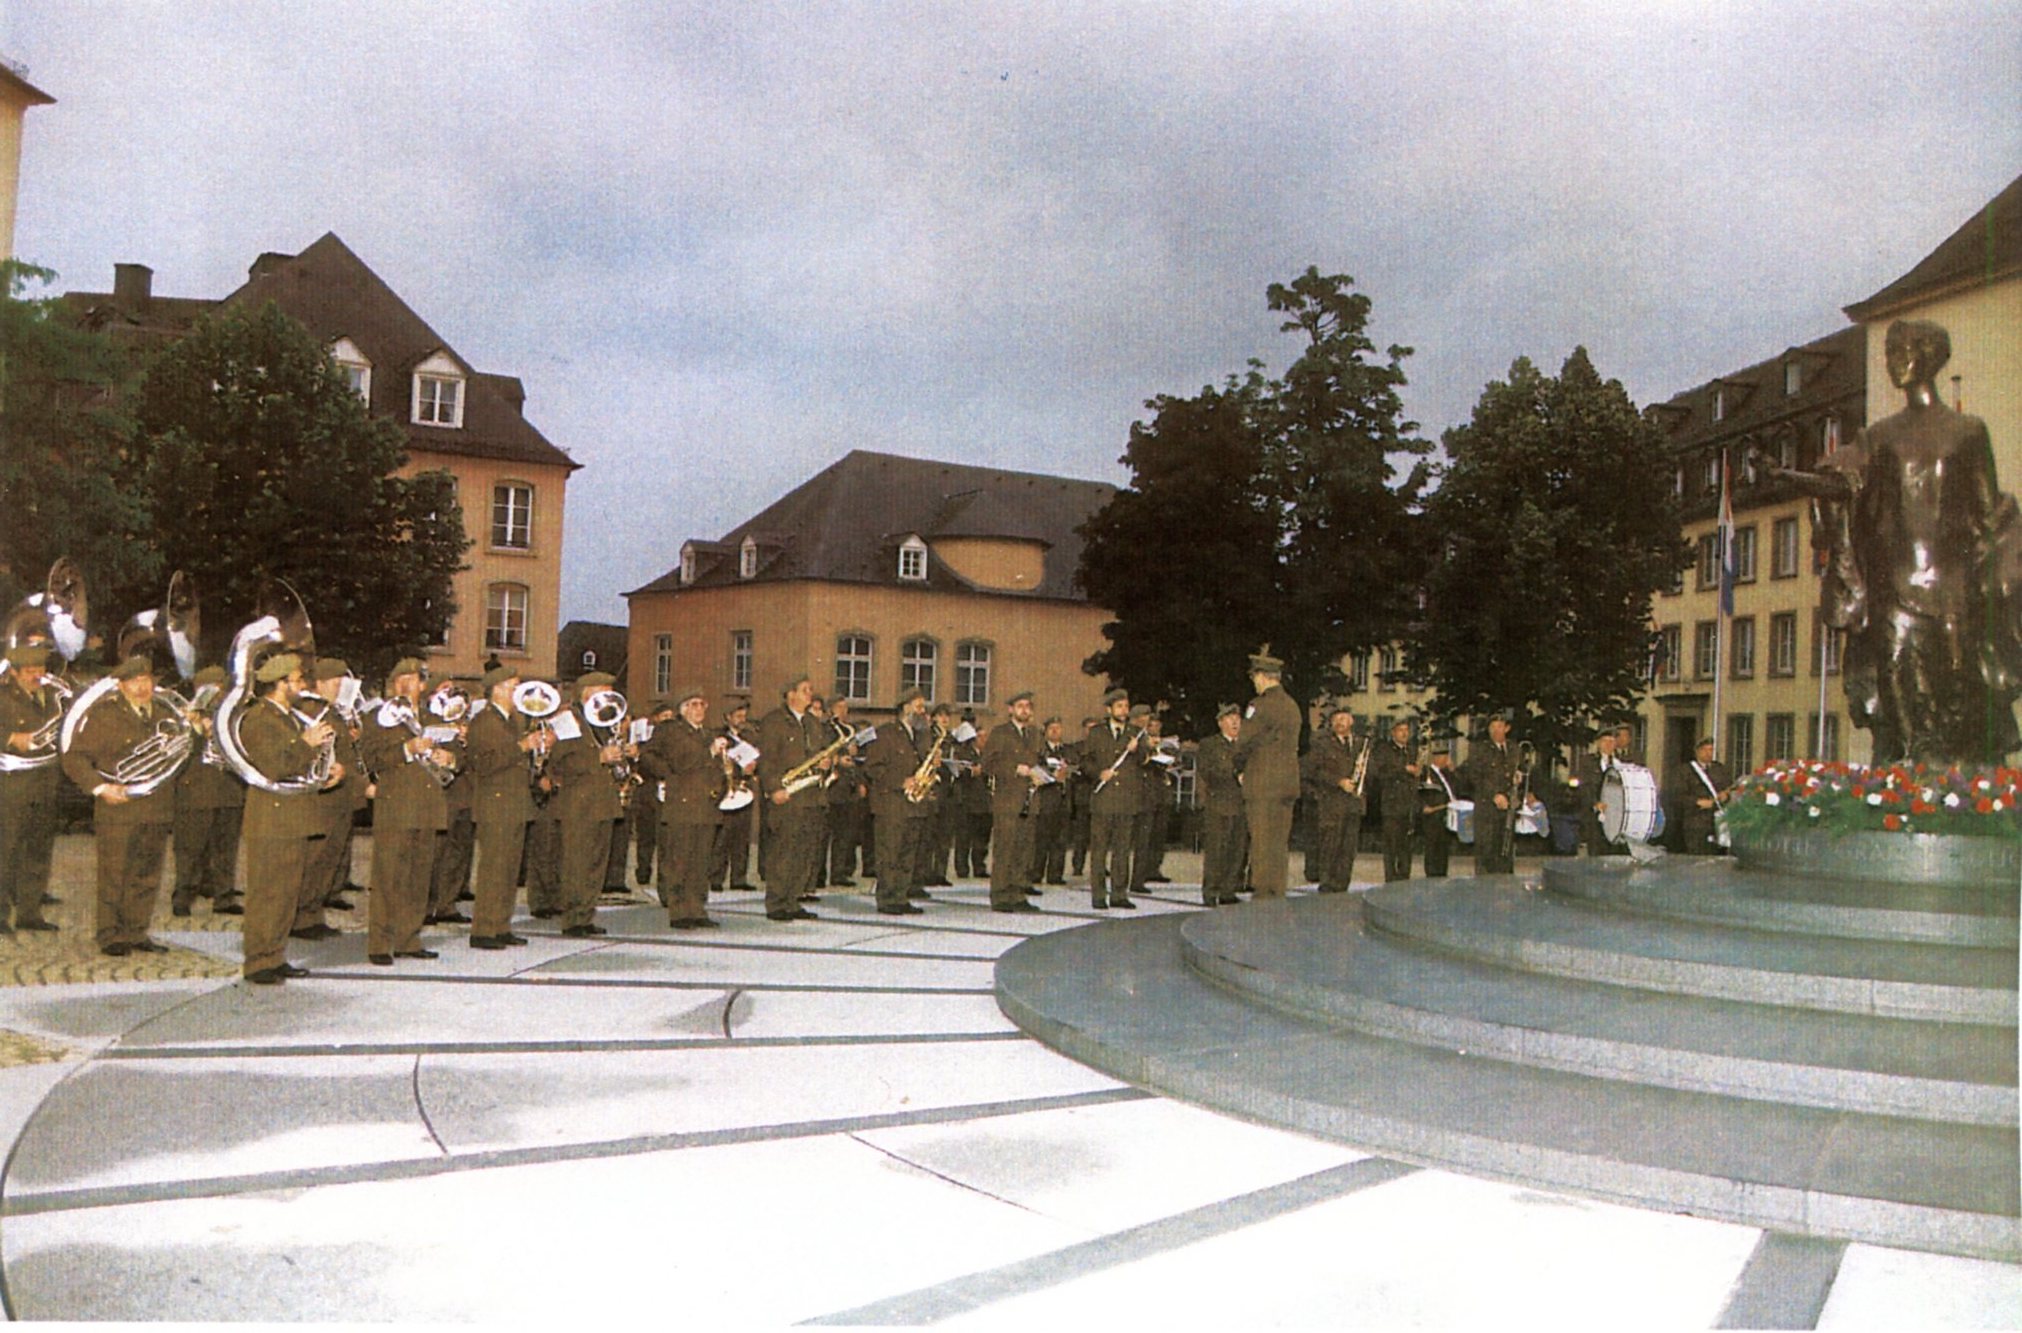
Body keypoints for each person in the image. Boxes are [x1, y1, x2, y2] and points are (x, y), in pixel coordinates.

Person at [1771, 319, 2022, 764]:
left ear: (1928, 356)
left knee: (1960, 699)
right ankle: (1904, 791)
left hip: (1954, 588)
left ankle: (1966, 795)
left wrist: (2004, 572)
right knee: (1897, 702)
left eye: (1900, 351)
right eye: (1888, 352)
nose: (1891, 362)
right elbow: (1844, 484)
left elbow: (1990, 513)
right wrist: (1789, 476)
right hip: (1893, 589)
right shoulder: (1879, 436)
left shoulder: (1968, 432)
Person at [62, 655, 180, 957]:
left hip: (157, 805)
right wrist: (100, 788)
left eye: (146, 679)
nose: (142, 686)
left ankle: (136, 930)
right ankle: (110, 934)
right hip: (118, 808)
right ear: (121, 685)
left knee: (148, 872)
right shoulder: (105, 715)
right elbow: (74, 758)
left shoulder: (165, 713)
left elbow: (179, 755)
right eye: (134, 681)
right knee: (115, 872)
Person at [235, 651, 342, 984]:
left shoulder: (290, 717)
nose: (302, 685)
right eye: (296, 680)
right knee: (267, 893)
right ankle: (257, 962)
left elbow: (301, 766)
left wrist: (328, 773)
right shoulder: (259, 719)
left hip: (293, 816)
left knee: (285, 894)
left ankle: (274, 954)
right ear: (280, 683)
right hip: (272, 819)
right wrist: (306, 743)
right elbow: (276, 765)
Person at [359, 659, 456, 964]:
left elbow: (459, 757)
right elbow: (371, 758)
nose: (405, 684)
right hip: (396, 806)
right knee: (388, 877)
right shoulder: (379, 717)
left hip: (427, 806)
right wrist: (406, 750)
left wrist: (449, 758)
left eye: (412, 679)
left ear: (423, 684)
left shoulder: (434, 717)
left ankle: (409, 939)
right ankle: (379, 943)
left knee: (419, 878)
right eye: (399, 679)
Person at [545, 671, 630, 938]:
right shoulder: (567, 720)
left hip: (602, 802)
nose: (608, 698)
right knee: (577, 864)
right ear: (586, 693)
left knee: (595, 864)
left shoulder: (605, 722)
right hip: (579, 804)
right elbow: (560, 763)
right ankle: (572, 918)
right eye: (603, 691)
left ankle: (585, 914)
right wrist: (599, 758)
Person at [636, 684, 727, 929]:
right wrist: (668, 775)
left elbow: (716, 767)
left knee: (700, 860)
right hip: (683, 802)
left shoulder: (707, 734)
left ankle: (697, 908)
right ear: (683, 709)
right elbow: (678, 759)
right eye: (694, 705)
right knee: (680, 859)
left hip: (706, 804)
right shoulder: (674, 732)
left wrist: (726, 780)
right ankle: (679, 911)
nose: (700, 709)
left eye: (702, 704)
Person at [464, 665, 539, 949]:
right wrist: (521, 747)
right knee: (494, 869)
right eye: (513, 686)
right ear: (497, 689)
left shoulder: (512, 720)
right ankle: (483, 929)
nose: (518, 691)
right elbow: (483, 763)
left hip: (513, 803)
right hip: (495, 805)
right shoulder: (484, 722)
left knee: (508, 870)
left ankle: (500, 925)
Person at [0, 644, 66, 934]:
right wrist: (11, 736)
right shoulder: (3, 697)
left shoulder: (54, 696)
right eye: (29, 672)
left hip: (45, 784)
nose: (36, 676)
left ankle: (30, 912)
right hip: (12, 786)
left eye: (40, 671)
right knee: (6, 851)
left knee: (38, 851)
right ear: (13, 673)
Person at [755, 675, 827, 922]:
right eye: (805, 690)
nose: (810, 694)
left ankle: (793, 899)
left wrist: (826, 762)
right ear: (790, 694)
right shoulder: (774, 722)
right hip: (787, 795)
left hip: (810, 796)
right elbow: (767, 760)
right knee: (783, 852)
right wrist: (773, 788)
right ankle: (776, 903)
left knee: (804, 852)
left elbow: (818, 754)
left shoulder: (813, 723)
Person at [1231, 647, 1301, 898]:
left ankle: (1262, 896)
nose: (1254, 684)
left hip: (1262, 783)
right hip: (1287, 784)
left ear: (1262, 676)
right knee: (1278, 844)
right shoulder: (1292, 706)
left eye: (1254, 678)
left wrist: (1239, 768)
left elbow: (1243, 743)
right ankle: (1276, 893)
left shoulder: (1259, 705)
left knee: (1261, 842)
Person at [861, 687, 933, 915]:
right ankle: (887, 898)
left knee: (907, 853)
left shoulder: (920, 736)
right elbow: (872, 767)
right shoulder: (885, 733)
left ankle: (901, 896)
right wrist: (901, 781)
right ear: (906, 707)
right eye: (919, 707)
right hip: (891, 805)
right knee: (889, 853)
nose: (923, 711)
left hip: (914, 806)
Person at [981, 689, 1044, 913]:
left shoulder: (1035, 734)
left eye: (1028, 706)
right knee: (1005, 849)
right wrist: (1014, 769)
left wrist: (1043, 774)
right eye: (1020, 706)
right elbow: (988, 764)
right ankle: (1000, 895)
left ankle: (1018, 893)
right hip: (1008, 800)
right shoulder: (1001, 733)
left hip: (1030, 798)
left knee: (1023, 849)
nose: (1025, 710)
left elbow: (1040, 760)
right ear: (1010, 710)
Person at [1082, 688, 1142, 910]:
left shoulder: (1135, 733)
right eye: (1119, 707)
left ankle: (1119, 894)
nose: (1124, 711)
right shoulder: (1097, 733)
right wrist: (1099, 773)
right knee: (1099, 851)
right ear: (1109, 709)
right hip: (1103, 801)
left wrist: (1137, 750)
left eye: (1126, 707)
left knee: (1122, 850)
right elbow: (1085, 762)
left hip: (1126, 802)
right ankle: (1099, 895)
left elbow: (1145, 760)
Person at [1304, 708, 1367, 893]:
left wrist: (1366, 770)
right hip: (1331, 804)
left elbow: (1374, 773)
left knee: (1348, 849)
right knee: (1330, 846)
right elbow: (1311, 771)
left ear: (1352, 721)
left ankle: (1342, 886)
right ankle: (1327, 885)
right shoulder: (1322, 745)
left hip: (1354, 804)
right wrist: (1338, 781)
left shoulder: (1361, 744)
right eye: (1336, 719)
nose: (1340, 722)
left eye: (1344, 718)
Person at [1196, 704, 1247, 905]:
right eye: (1229, 718)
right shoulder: (1210, 745)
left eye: (1237, 718)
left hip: (1241, 804)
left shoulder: (1245, 745)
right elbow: (1208, 771)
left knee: (1237, 849)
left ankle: (1228, 890)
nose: (1235, 722)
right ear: (1220, 723)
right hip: (1218, 804)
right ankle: (1210, 892)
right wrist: (1235, 774)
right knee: (1216, 850)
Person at [1459, 715, 1520, 875]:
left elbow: (1515, 773)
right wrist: (1494, 794)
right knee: (1486, 852)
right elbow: (1475, 776)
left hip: (1507, 809)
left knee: (1505, 852)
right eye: (1492, 727)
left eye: (1499, 726)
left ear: (1507, 728)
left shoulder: (1514, 749)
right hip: (1487, 808)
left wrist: (1518, 782)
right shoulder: (1480, 749)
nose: (1496, 731)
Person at [710, 696, 757, 890]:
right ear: (727, 717)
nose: (741, 718)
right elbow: (717, 763)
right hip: (726, 791)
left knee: (742, 837)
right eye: (737, 715)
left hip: (745, 789)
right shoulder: (719, 736)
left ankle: (739, 878)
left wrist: (754, 767)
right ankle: (716, 878)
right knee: (723, 837)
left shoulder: (751, 736)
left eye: (743, 714)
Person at [1371, 718, 1420, 882]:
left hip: (1408, 804)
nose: (1405, 733)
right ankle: (1391, 878)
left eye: (1407, 730)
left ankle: (1404, 877)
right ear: (1393, 733)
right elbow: (1379, 772)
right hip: (1391, 805)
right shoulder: (1384, 751)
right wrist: (1403, 769)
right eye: (1401, 730)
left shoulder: (1412, 751)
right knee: (1391, 845)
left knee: (1406, 846)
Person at [1030, 717, 1074, 886]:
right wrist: (1053, 776)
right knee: (1041, 839)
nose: (1055, 731)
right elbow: (1037, 771)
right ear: (1046, 732)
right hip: (1046, 800)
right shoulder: (1040, 752)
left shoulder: (1067, 751)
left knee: (1060, 840)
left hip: (1063, 800)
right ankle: (1036, 872)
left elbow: (1076, 768)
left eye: (1058, 728)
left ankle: (1055, 874)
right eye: (1052, 728)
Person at [1671, 738, 1733, 856]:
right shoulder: (1685, 771)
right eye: (1704, 750)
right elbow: (1677, 796)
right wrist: (1697, 802)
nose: (1708, 753)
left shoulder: (1719, 769)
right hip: (1696, 822)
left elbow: (1729, 788)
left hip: (1717, 821)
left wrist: (1726, 795)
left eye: (1711, 750)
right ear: (1697, 752)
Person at [1574, 729, 1628, 858]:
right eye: (1605, 741)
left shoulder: (1621, 763)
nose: (1609, 745)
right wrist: (1595, 803)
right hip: (1595, 814)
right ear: (1599, 743)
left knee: (1614, 849)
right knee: (1596, 849)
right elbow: (1584, 786)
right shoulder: (1588, 762)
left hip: (1616, 813)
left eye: (1612, 742)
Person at [1417, 748, 1460, 878]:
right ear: (1436, 758)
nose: (1447, 760)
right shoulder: (1427, 773)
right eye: (1444, 757)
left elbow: (1457, 788)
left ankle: (1441, 874)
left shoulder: (1446, 774)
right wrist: (1423, 806)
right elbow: (1420, 791)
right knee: (1433, 848)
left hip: (1446, 815)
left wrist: (1453, 772)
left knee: (1442, 850)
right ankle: (1432, 875)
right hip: (1433, 815)